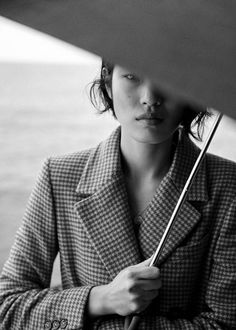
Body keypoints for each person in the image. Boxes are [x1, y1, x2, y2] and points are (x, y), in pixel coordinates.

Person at [0, 59, 236, 330]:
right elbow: (7, 305)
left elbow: (225, 322)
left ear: (189, 90)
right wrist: (101, 299)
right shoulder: (60, 176)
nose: (150, 98)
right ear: (108, 82)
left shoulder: (227, 185)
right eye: (133, 76)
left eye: (168, 78)